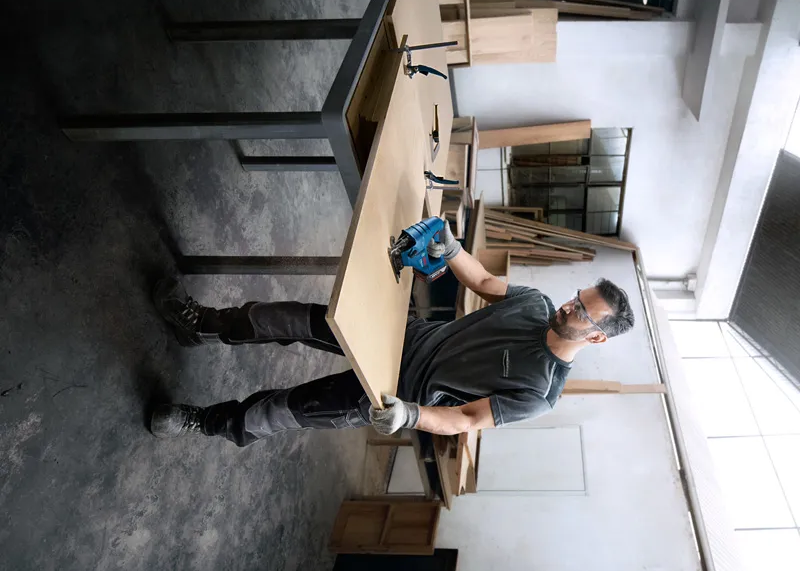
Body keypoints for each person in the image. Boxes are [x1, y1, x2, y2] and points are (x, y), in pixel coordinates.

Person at [150, 221, 635, 446]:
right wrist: (450, 248)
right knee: (288, 317)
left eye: (582, 312)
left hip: (392, 394)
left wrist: (409, 416)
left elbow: (465, 419)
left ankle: (203, 422)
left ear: (595, 337)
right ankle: (201, 325)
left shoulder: (540, 393)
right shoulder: (536, 304)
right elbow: (485, 282)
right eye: (577, 296)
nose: (570, 305)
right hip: (403, 337)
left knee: (282, 411)